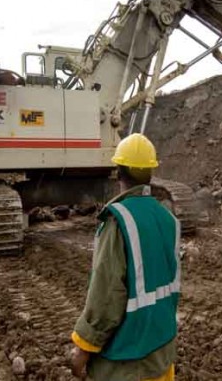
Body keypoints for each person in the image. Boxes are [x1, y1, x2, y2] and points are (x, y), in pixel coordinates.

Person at [70, 133, 181, 381]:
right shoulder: (168, 218)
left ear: (118, 172)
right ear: (151, 172)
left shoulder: (118, 220)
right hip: (161, 354)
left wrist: (83, 347)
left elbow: (107, 295)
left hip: (127, 362)